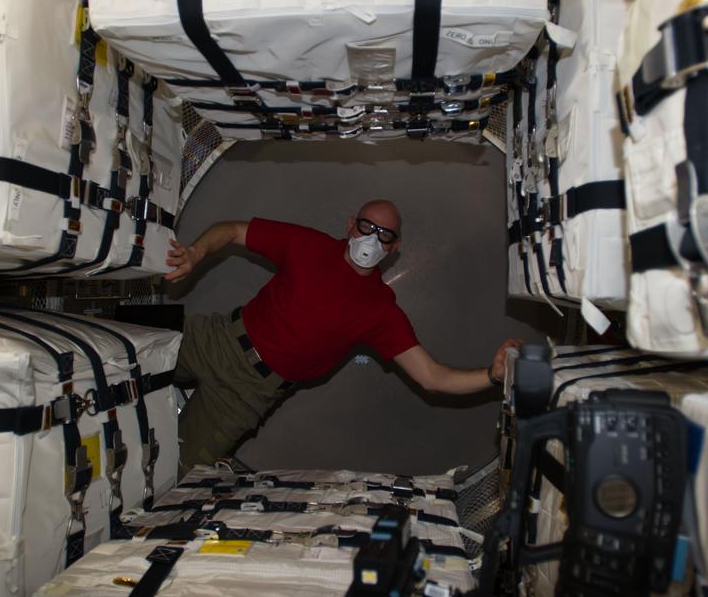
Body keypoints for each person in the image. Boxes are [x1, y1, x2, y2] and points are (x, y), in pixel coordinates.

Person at [164, 199, 522, 473]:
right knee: (121, 359)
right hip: (214, 340)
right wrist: (196, 251)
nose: (373, 238)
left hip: (245, 396)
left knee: (175, 472)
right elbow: (235, 231)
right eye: (367, 226)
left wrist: (491, 375)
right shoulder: (308, 246)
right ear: (351, 225)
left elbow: (431, 376)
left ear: (394, 248)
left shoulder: (381, 311)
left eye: (385, 235)